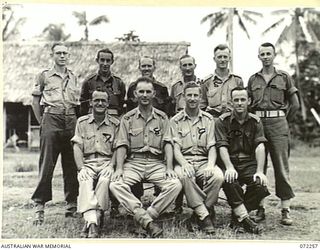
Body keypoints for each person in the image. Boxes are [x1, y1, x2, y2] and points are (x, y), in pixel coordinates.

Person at [110, 77, 182, 238]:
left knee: (175, 184)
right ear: (135, 94)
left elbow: (168, 143)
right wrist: (120, 168)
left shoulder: (163, 118)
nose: (144, 95)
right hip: (134, 162)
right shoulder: (127, 119)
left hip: (156, 163)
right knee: (115, 184)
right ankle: (145, 219)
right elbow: (121, 144)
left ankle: (146, 216)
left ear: (154, 94)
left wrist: (169, 167)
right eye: (141, 91)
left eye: (148, 92)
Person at [247, 42, 300, 226]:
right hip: (259, 124)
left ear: (274, 55)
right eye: (263, 53)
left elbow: (295, 105)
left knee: (281, 167)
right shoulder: (253, 79)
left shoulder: (284, 77)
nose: (266, 56)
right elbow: (248, 104)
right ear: (259, 56)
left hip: (278, 123)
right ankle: (259, 207)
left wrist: (284, 122)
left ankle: (285, 209)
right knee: (258, 166)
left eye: (269, 53)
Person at [31, 42, 80, 225]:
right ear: (52, 55)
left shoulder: (74, 77)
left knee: (71, 164)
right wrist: (42, 123)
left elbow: (77, 104)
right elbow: (35, 102)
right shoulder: (44, 76)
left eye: (65, 53)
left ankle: (71, 205)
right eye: (58, 53)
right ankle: (39, 206)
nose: (62, 56)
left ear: (69, 56)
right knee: (46, 165)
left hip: (70, 120)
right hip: (51, 118)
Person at [170, 81, 224, 234]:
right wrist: (184, 163)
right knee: (185, 176)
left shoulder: (208, 120)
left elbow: (212, 146)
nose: (192, 99)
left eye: (195, 95)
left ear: (201, 97)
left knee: (218, 176)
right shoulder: (175, 121)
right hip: (183, 160)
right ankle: (204, 215)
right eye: (189, 95)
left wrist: (210, 165)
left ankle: (198, 213)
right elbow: (175, 148)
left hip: (203, 161)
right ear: (183, 97)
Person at [215, 87, 270, 234]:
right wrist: (229, 167)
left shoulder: (255, 121)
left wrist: (259, 171)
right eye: (236, 100)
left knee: (260, 186)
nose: (239, 103)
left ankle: (237, 217)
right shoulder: (222, 121)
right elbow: (222, 147)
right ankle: (245, 219)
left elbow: (260, 146)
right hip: (230, 161)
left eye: (243, 99)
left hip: (248, 163)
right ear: (231, 102)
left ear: (249, 101)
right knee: (230, 180)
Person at [125, 56, 171, 211]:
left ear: (154, 67)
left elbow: (166, 111)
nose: (146, 68)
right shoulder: (132, 86)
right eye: (143, 65)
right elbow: (129, 109)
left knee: (164, 173)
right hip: (138, 128)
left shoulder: (162, 88)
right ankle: (136, 202)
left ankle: (159, 202)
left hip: (157, 128)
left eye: (149, 65)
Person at [71, 90, 119, 238]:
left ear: (107, 103)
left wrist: (111, 166)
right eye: (96, 100)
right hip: (88, 163)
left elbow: (118, 148)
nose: (99, 103)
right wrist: (81, 168)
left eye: (103, 101)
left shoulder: (115, 123)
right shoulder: (82, 122)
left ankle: (91, 222)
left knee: (105, 180)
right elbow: (77, 146)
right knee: (85, 180)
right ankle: (94, 221)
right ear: (91, 102)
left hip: (106, 162)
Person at [170, 54, 202, 214]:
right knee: (179, 162)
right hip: (179, 125)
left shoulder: (202, 83)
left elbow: (204, 105)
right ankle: (177, 204)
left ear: (195, 65)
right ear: (180, 67)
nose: (188, 68)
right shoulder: (175, 86)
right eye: (184, 65)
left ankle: (200, 204)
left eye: (190, 64)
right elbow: (171, 107)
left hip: (197, 124)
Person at [79, 48, 126, 117]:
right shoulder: (89, 82)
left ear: (112, 62)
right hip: (93, 120)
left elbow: (121, 106)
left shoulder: (119, 82)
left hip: (113, 121)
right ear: (97, 60)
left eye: (108, 61)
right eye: (102, 60)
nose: (105, 63)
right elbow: (83, 107)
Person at [200, 44, 243, 118]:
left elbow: (242, 103)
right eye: (219, 57)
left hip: (232, 120)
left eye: (225, 57)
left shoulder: (237, 80)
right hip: (213, 120)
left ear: (229, 58)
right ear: (214, 59)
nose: (222, 60)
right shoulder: (207, 82)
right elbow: (202, 106)